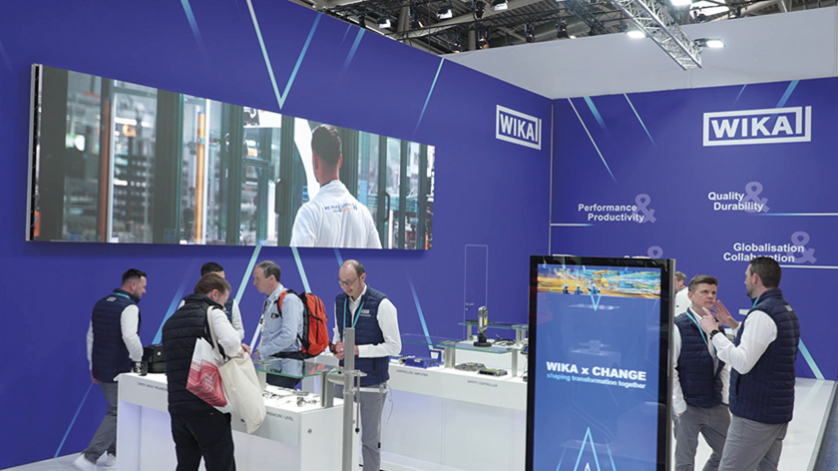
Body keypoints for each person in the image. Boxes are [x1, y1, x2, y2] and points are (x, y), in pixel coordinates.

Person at [699, 257, 800, 471]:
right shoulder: (784, 309)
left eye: (746, 276)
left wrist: (714, 332)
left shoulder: (762, 313)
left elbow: (743, 362)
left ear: (755, 278)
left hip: (755, 414)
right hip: (775, 411)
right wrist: (734, 325)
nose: (744, 280)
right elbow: (768, 348)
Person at [162, 273, 249, 471]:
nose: (223, 307)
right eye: (223, 302)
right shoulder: (212, 313)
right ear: (214, 294)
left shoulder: (171, 321)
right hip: (206, 404)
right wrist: (237, 351)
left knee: (186, 464)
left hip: (177, 406)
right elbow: (232, 343)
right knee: (220, 464)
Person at [73, 269, 147, 471]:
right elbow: (130, 337)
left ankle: (114, 454)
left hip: (101, 369)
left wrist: (92, 366)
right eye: (143, 287)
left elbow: (91, 336)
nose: (144, 291)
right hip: (119, 369)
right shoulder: (129, 307)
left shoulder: (101, 304)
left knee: (117, 408)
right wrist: (138, 362)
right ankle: (89, 458)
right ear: (133, 285)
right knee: (118, 411)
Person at [333, 260, 401, 471]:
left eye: (350, 282)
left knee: (369, 441)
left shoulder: (382, 304)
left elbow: (394, 346)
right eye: (341, 282)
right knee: (337, 434)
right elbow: (338, 333)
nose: (346, 287)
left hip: (371, 382)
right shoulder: (340, 301)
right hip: (344, 378)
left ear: (363, 277)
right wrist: (337, 347)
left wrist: (358, 350)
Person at [672, 275, 730, 471]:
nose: (710, 296)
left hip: (715, 403)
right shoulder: (678, 326)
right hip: (689, 405)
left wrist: (724, 397)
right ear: (690, 296)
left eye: (713, 292)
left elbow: (723, 365)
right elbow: (671, 369)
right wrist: (679, 406)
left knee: (728, 454)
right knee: (685, 462)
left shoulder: (717, 327)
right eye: (705, 292)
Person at [290, 124, 381, 248]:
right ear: (340, 161)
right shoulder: (364, 215)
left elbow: (297, 259)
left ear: (315, 161)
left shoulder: (309, 215)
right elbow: (377, 258)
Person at [252, 260, 305, 389]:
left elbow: (289, 336)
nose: (255, 283)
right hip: (272, 364)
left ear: (271, 278)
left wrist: (262, 351)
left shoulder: (289, 300)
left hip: (286, 367)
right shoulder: (270, 301)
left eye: (258, 279)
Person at [200, 262, 244, 340]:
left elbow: (239, 330)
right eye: (217, 280)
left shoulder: (230, 303)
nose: (221, 284)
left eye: (223, 280)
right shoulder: (189, 302)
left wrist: (230, 340)